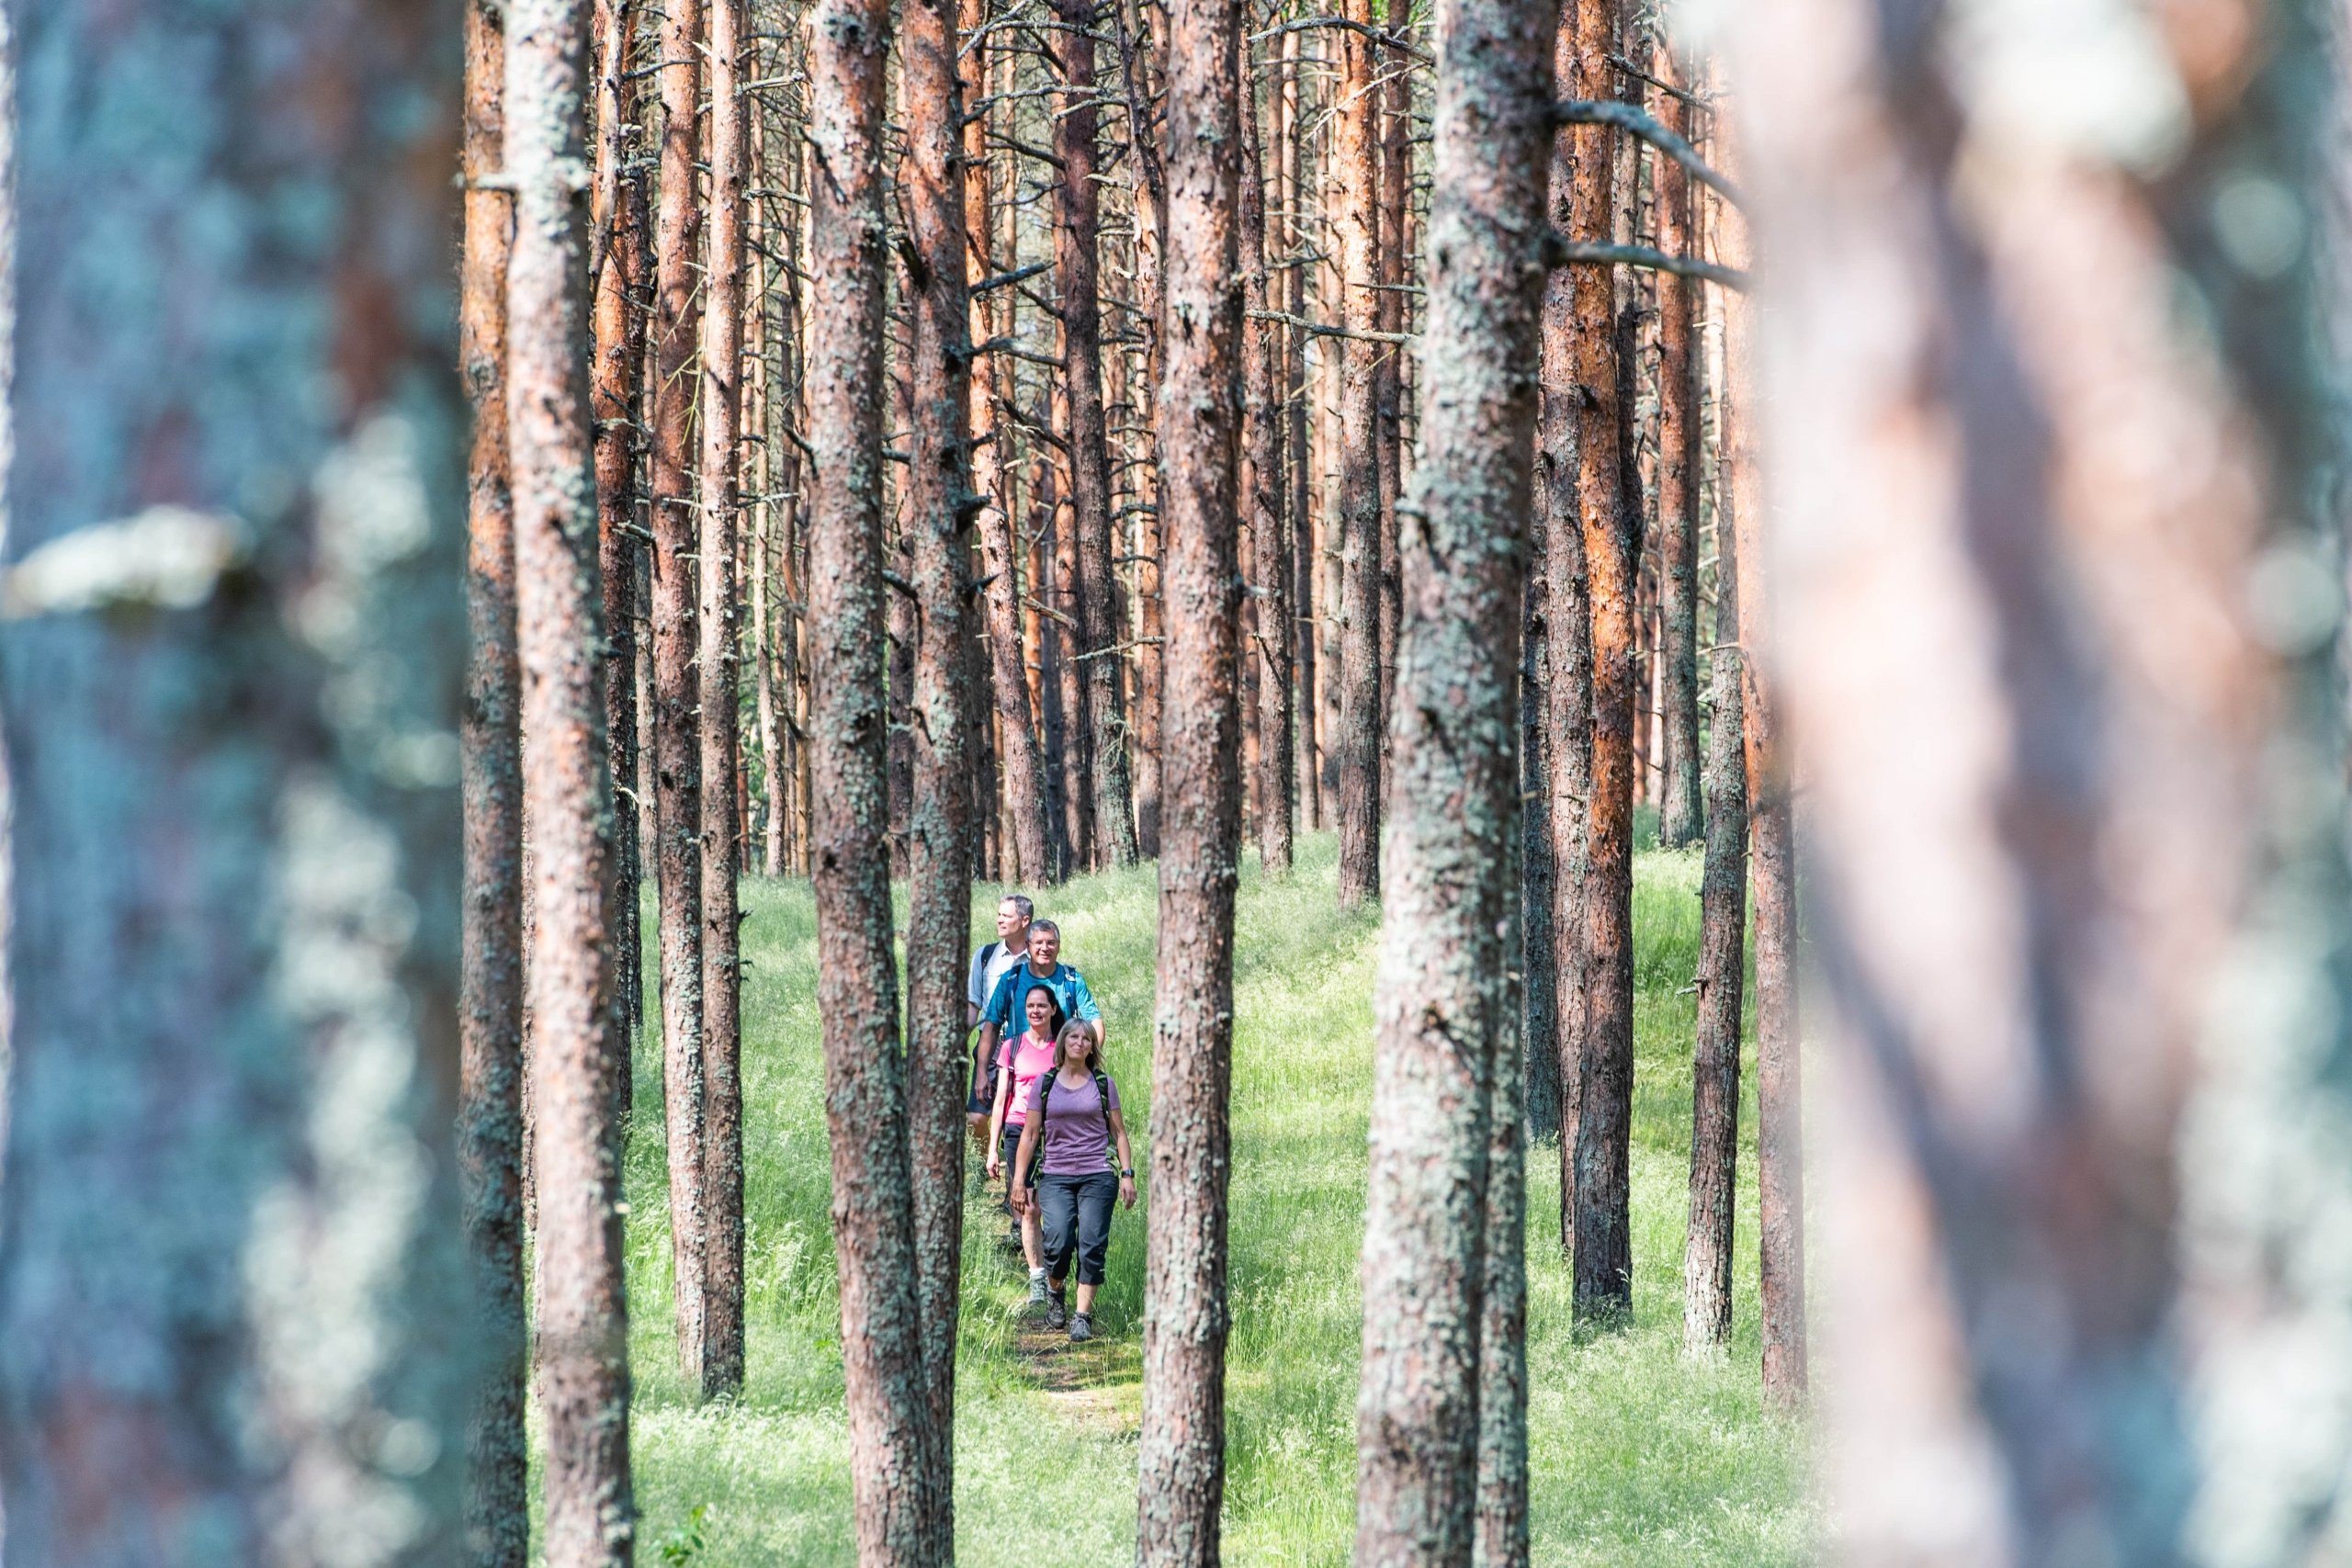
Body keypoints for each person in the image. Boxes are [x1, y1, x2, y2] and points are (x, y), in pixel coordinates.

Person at [1011, 1019, 1136, 1341]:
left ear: (1093, 1046)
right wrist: (1019, 1180)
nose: (1080, 1043)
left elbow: (1119, 1133)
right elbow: (1030, 1135)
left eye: (1086, 1038)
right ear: (1064, 1042)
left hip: (1098, 1174)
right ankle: (1056, 1292)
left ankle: (1082, 1316)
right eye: (1074, 1037)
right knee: (1059, 1242)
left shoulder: (1104, 1084)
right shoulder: (1045, 1083)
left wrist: (1127, 1174)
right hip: (1056, 1175)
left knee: (1091, 1246)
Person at [986, 984, 1066, 1303]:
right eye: (1030, 1006)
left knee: (1053, 1206)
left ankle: (1054, 1273)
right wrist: (993, 1148)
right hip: (1019, 1130)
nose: (1035, 1011)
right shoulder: (1012, 1046)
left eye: (1041, 1006)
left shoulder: (1063, 1048)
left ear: (1053, 1010)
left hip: (1055, 1132)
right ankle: (1037, 1278)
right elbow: (1001, 1098)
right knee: (1028, 1207)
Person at [976, 919, 1102, 1106]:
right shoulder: (1011, 980)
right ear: (1028, 946)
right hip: (1017, 1075)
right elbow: (991, 1026)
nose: (1045, 948)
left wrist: (1086, 1062)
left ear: (1059, 946)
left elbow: (1095, 1022)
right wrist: (981, 1072)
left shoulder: (1072, 980)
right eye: (1039, 943)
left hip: (1060, 1071)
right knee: (1015, 1129)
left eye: (1051, 942)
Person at [967, 895, 1035, 1139]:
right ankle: (992, 1165)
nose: (999, 920)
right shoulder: (984, 956)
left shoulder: (1038, 957)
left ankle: (1016, 1163)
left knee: (1020, 1117)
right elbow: (974, 1003)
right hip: (990, 1043)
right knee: (976, 1118)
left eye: (1006, 916)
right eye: (999, 915)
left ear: (1025, 920)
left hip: (1027, 1043)